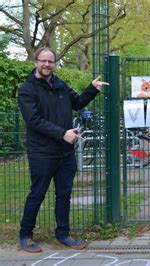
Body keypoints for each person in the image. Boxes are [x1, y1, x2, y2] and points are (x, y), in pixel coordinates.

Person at [17, 47, 109, 253]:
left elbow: (77, 103)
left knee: (64, 194)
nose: (47, 65)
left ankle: (63, 234)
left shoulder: (60, 85)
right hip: (42, 152)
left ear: (55, 63)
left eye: (51, 62)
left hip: (65, 152)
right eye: (43, 61)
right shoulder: (27, 90)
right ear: (36, 62)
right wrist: (62, 134)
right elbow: (34, 121)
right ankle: (25, 234)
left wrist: (91, 89)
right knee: (37, 194)